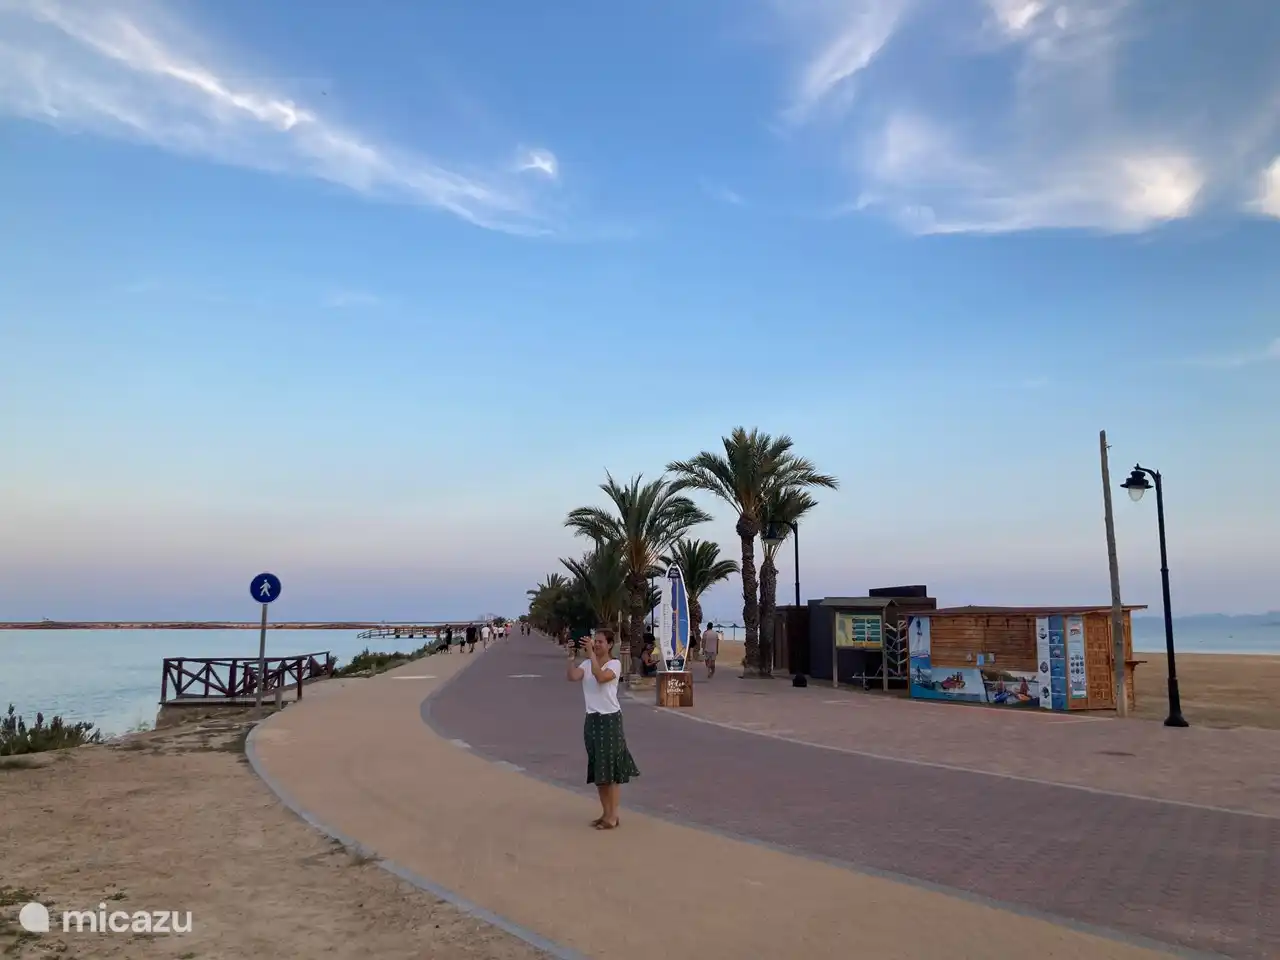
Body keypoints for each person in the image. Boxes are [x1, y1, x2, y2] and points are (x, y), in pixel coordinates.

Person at [565, 627, 638, 830]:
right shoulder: (587, 664)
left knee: (612, 769)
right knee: (599, 769)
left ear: (609, 645)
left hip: (610, 720)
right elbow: (572, 676)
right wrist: (570, 657)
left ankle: (613, 816)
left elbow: (601, 677)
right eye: (594, 641)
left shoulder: (614, 665)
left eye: (600, 642)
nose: (596, 645)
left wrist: (589, 654)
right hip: (592, 720)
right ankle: (605, 813)